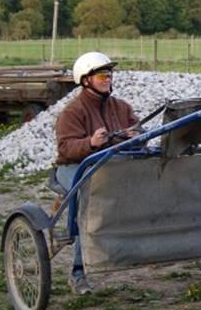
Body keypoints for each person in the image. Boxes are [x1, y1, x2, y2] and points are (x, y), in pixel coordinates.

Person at [55, 51, 139, 295]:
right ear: (85, 80)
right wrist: (90, 143)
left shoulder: (121, 107)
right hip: (73, 167)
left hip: (109, 167)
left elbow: (138, 127)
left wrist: (137, 136)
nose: (108, 78)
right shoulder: (72, 111)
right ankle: (78, 273)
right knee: (89, 203)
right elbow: (65, 148)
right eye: (102, 75)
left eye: (110, 74)